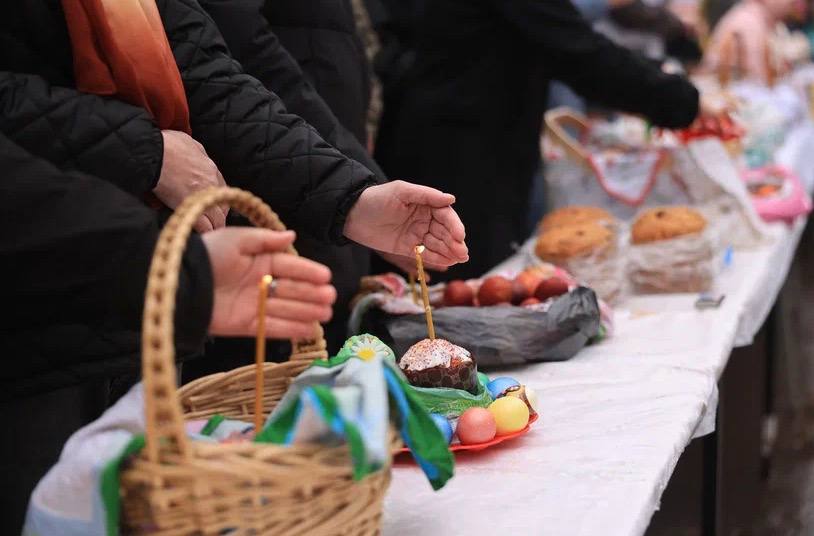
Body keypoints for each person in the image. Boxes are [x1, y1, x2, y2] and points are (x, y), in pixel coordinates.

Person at [0, 132, 338, 533]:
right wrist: (148, 152)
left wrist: (350, 197)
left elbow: (221, 96)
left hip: (134, 287)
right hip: (38, 338)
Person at [370, 0, 705, 279]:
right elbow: (575, 49)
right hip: (463, 154)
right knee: (462, 288)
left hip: (445, 134)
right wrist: (683, 99)